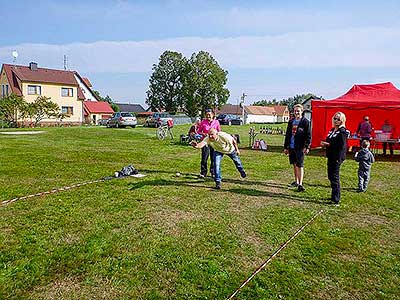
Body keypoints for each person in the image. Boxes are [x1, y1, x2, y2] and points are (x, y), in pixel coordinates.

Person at [321, 112, 349, 205]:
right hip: (331, 155)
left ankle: (336, 199)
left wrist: (328, 144)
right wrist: (325, 143)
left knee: (334, 177)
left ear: (342, 120)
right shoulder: (332, 130)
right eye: (335, 118)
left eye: (338, 119)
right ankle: (333, 196)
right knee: (330, 176)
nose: (336, 121)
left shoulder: (342, 131)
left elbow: (341, 145)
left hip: (337, 156)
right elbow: (329, 140)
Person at [283, 104, 311, 192]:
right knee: (294, 164)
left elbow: (308, 135)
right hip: (291, 147)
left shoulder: (305, 122)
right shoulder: (291, 122)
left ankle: (300, 184)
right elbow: (288, 135)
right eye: (295, 111)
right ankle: (296, 181)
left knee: (300, 165)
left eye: (298, 111)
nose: (296, 112)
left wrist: (307, 146)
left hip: (300, 147)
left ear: (302, 111)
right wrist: (286, 147)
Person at [197, 109, 221, 178]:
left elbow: (219, 132)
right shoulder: (203, 122)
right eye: (207, 115)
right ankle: (203, 172)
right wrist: (203, 133)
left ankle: (213, 172)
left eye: (209, 115)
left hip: (214, 142)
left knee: (213, 158)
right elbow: (199, 131)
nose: (208, 116)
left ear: (213, 115)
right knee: (204, 157)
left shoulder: (216, 122)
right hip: (205, 142)